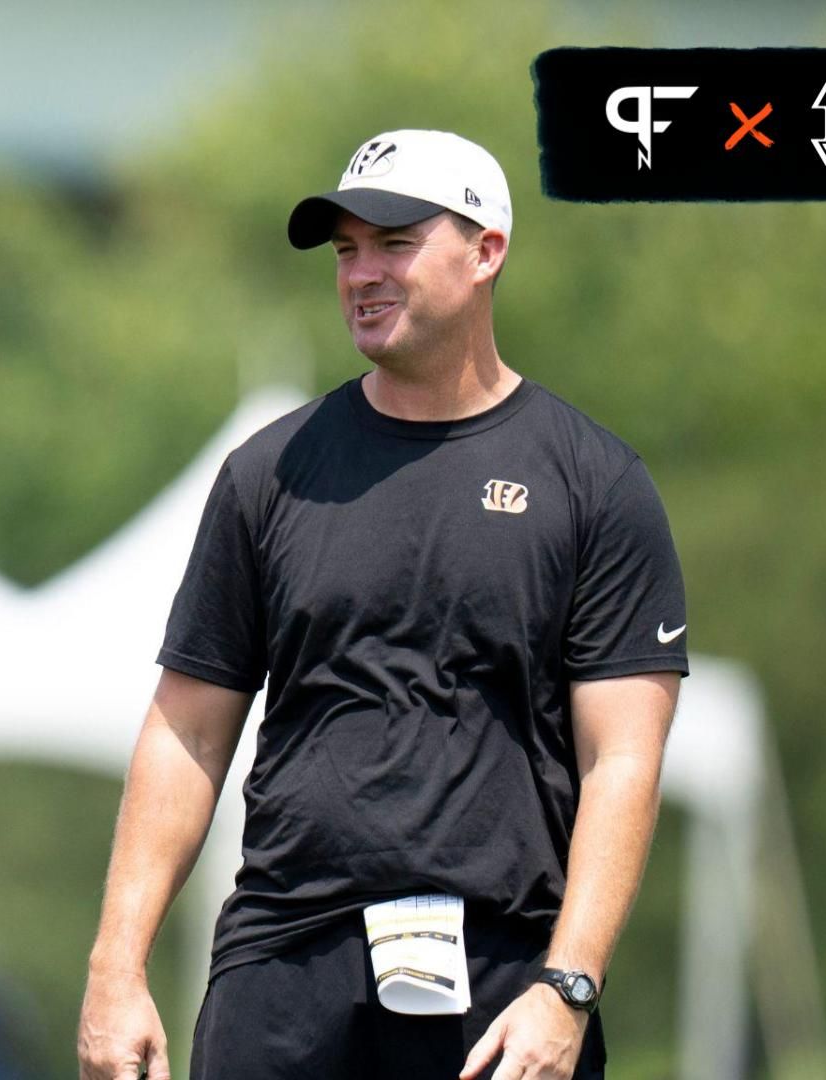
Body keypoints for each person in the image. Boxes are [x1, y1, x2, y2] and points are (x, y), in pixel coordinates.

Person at [77, 130, 687, 1080]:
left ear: (487, 251)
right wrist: (116, 970)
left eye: (394, 243)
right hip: (283, 963)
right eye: (347, 249)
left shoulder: (596, 483)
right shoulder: (268, 474)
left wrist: (568, 987)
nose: (362, 272)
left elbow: (624, 761)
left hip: (504, 982)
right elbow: (186, 735)